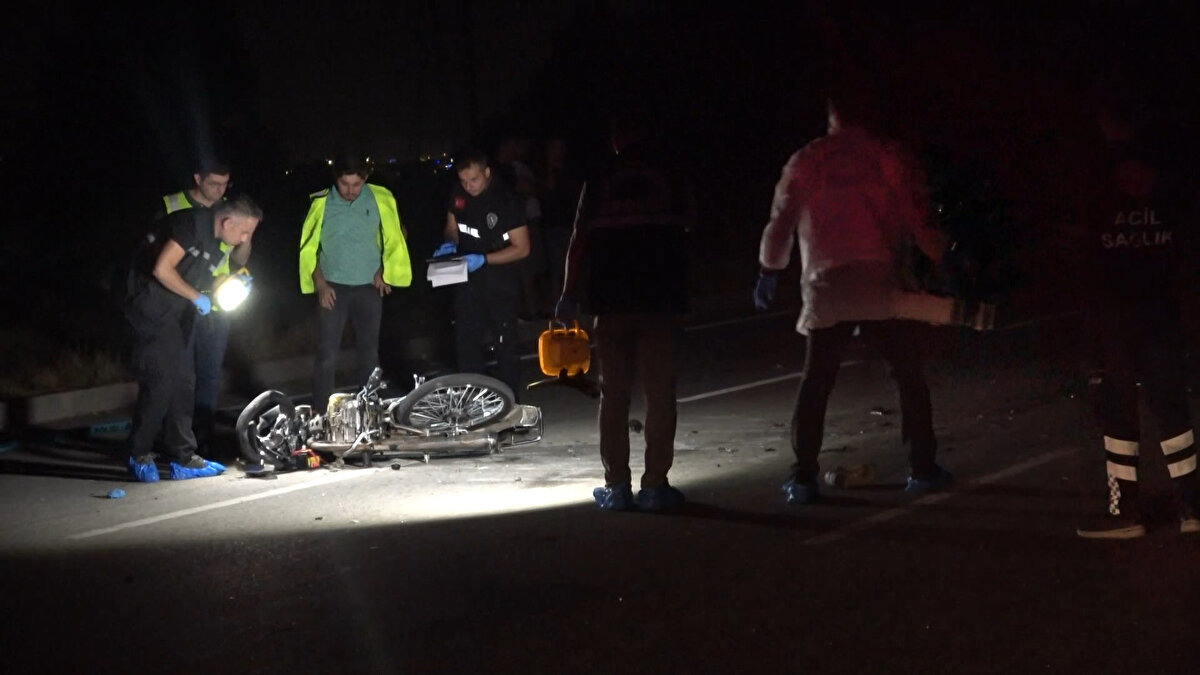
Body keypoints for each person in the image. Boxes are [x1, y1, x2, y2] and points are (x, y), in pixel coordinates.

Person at [754, 91, 953, 505]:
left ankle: (803, 476)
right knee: (908, 377)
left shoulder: (807, 159)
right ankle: (922, 467)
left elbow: (782, 219)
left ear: (831, 116)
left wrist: (769, 269)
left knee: (816, 381)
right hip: (880, 281)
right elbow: (917, 214)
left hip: (827, 285)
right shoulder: (885, 156)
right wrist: (937, 256)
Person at [555, 114, 695, 511]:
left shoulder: (599, 178)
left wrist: (568, 294)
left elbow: (579, 241)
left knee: (614, 395)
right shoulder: (671, 173)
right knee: (660, 394)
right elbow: (690, 230)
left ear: (615, 139)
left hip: (611, 302)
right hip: (661, 301)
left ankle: (616, 487)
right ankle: (655, 486)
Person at [1074, 94, 1198, 539]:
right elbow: (1183, 242)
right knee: (1171, 407)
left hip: (1114, 313)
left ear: (1104, 119)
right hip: (1160, 307)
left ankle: (1124, 512)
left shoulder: (1092, 174)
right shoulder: (1168, 173)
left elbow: (1083, 247)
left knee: (1117, 411)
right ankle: (1192, 505)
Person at [122, 196, 262, 482]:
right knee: (161, 380)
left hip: (176, 313)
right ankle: (138, 453)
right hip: (148, 307)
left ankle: (183, 456)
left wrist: (230, 284)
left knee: (185, 381)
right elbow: (162, 269)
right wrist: (197, 297)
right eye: (244, 232)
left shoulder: (216, 240)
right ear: (227, 222)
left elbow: (200, 279)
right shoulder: (191, 224)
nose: (245, 238)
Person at [299, 152, 412, 414]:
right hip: (333, 288)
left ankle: (369, 410)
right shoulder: (321, 202)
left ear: (366, 178)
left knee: (369, 354)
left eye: (356, 185)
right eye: (344, 185)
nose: (350, 191)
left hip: (369, 288)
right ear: (335, 179)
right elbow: (308, 248)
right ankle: (319, 414)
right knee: (327, 354)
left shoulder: (380, 197)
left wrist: (385, 269)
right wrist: (321, 285)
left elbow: (398, 233)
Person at [157, 156, 248, 454]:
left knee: (209, 374)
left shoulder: (228, 213)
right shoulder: (172, 205)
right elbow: (158, 260)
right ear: (198, 178)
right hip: (178, 304)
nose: (221, 190)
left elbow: (235, 259)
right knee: (179, 377)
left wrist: (246, 235)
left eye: (225, 184)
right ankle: (171, 440)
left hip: (216, 305)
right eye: (214, 183)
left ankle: (201, 441)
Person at [434, 146, 531, 397]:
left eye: (474, 179)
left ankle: (511, 405)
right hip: (467, 279)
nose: (469, 186)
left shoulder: (505, 200)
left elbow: (522, 248)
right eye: (464, 180)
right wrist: (450, 243)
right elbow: (452, 225)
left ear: (487, 172)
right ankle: (474, 405)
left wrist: (484, 259)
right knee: (465, 344)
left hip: (500, 282)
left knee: (504, 346)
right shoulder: (458, 193)